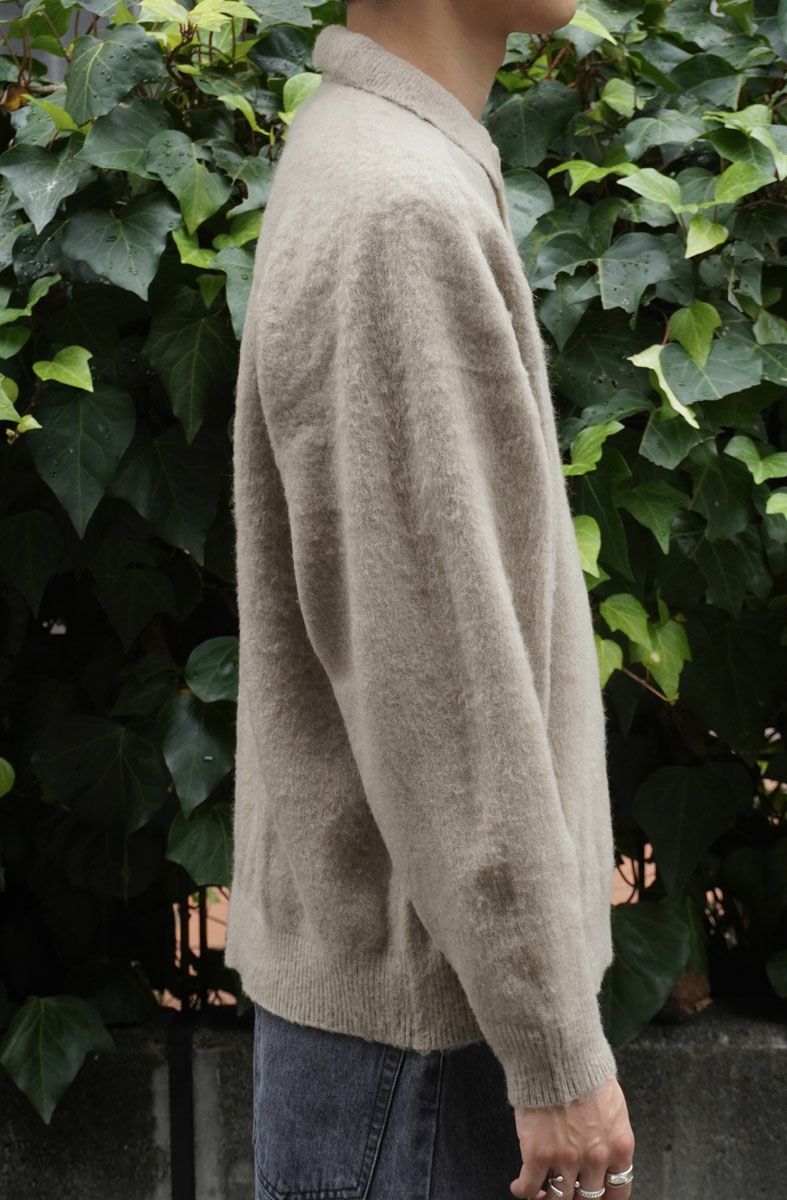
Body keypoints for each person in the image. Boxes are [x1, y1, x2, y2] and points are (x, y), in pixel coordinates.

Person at [224, 1, 636, 1197]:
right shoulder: (398, 208)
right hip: (424, 1055)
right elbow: (440, 679)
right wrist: (553, 1045)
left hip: (406, 1031)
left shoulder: (379, 155)